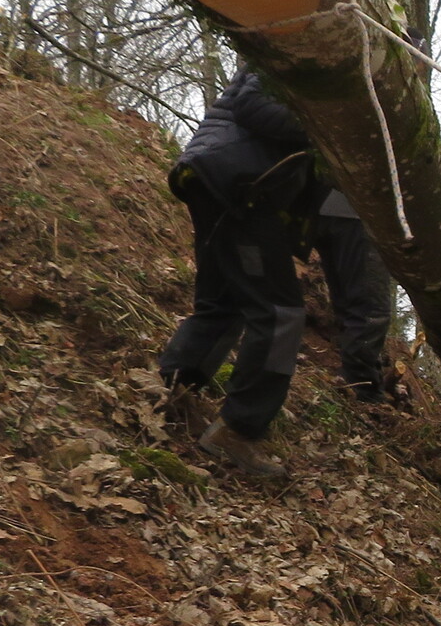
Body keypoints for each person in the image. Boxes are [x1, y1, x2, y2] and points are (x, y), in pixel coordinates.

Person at [158, 68, 396, 479]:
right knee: (279, 313)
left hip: (218, 179)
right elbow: (253, 104)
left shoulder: (325, 71)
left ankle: (170, 390)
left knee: (223, 302)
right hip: (240, 185)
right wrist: (324, 131)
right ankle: (239, 429)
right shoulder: (299, 53)